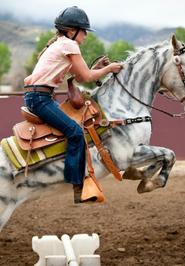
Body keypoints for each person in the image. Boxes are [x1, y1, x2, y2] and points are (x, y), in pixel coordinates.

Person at [23, 6, 123, 203]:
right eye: (83, 31)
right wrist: (110, 68)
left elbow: (80, 75)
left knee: (74, 130)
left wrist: (97, 70)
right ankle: (77, 186)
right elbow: (86, 77)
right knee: (76, 132)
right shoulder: (69, 46)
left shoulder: (60, 45)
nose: (85, 35)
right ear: (71, 31)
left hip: (39, 96)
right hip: (40, 98)